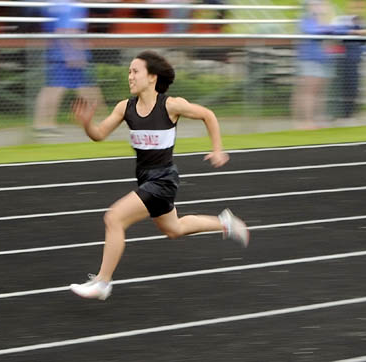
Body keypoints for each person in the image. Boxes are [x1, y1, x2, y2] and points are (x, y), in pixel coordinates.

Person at [69, 51, 249, 300]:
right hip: (145, 180)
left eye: (135, 71)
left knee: (114, 218)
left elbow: (208, 114)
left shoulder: (170, 105)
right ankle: (225, 223)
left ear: (152, 77)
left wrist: (217, 149)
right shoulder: (125, 108)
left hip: (163, 180)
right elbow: (99, 134)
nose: (130, 77)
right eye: (129, 72)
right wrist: (87, 124)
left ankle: (102, 282)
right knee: (174, 229)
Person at [33, 0, 105, 137]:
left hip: (57, 51)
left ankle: (103, 120)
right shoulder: (73, 6)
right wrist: (74, 53)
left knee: (86, 88)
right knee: (56, 88)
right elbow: (67, 30)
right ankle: (43, 125)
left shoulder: (55, 4)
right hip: (68, 53)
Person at [292, 0, 336, 130]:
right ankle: (305, 121)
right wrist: (326, 27)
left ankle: (317, 118)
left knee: (319, 92)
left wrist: (327, 23)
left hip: (324, 60)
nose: (322, 7)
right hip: (309, 60)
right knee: (308, 92)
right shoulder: (305, 20)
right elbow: (315, 31)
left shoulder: (326, 20)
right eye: (318, 4)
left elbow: (335, 30)